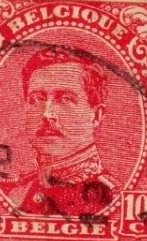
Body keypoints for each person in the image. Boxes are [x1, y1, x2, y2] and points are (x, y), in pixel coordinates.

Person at [9, 47, 117, 218]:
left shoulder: (114, 198)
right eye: (37, 99)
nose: (47, 114)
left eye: (65, 99)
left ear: (96, 115)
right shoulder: (15, 195)